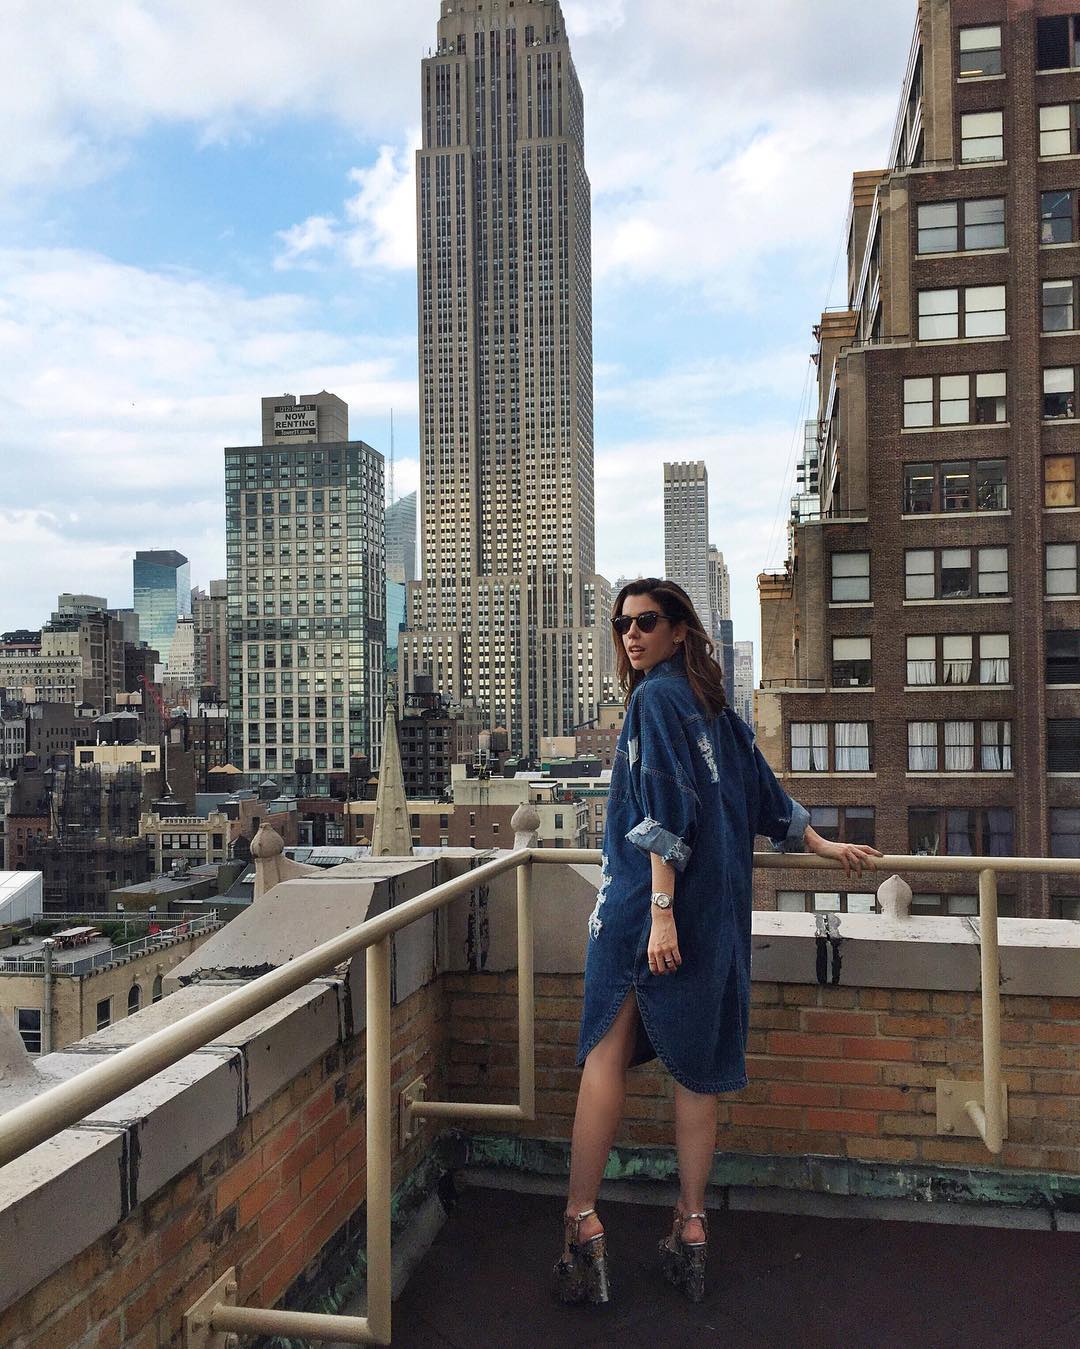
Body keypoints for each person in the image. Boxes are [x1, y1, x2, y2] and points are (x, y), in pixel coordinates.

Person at [555, 578, 881, 1306]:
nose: (631, 635)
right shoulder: (716, 709)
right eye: (622, 624)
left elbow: (663, 815)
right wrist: (821, 843)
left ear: (679, 630)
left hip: (647, 911)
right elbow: (765, 798)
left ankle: (582, 1222)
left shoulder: (654, 701)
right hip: (717, 916)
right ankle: (692, 1225)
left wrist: (660, 912)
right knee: (698, 1071)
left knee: (606, 1052)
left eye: (646, 622)